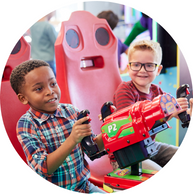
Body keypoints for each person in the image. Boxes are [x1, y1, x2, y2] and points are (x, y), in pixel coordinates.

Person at [9, 59, 106, 193]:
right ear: (23, 98)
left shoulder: (71, 111)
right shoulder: (26, 124)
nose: (50, 91)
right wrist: (72, 139)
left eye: (53, 83)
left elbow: (93, 148)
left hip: (84, 187)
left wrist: (112, 128)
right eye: (39, 89)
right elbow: (43, 168)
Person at [113, 39, 191, 169]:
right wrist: (169, 112)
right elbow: (130, 127)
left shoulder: (157, 91)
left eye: (149, 65)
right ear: (128, 67)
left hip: (150, 146)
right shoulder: (125, 90)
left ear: (158, 69)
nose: (142, 70)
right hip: (127, 154)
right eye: (136, 65)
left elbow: (176, 112)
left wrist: (186, 112)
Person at [30, 12, 57, 76]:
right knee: (51, 81)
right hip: (48, 60)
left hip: (35, 59)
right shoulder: (48, 26)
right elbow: (57, 42)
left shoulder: (32, 26)